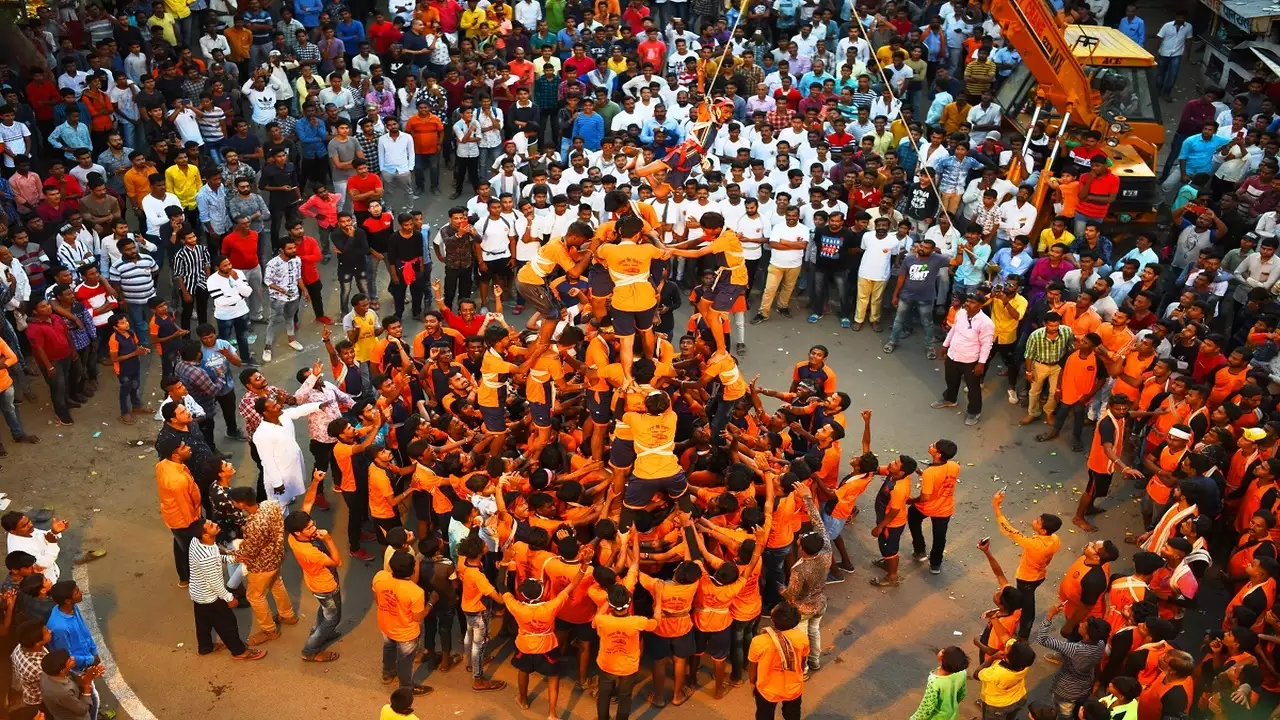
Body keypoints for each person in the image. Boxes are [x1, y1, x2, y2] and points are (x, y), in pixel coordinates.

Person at [186, 518, 265, 661]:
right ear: (205, 535)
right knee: (228, 623)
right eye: (211, 525)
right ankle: (239, 651)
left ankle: (205, 647)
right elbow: (214, 583)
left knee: (203, 622)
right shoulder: (207, 558)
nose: (215, 524)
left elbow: (216, 557)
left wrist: (233, 559)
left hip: (198, 592)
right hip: (211, 596)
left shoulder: (196, 542)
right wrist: (229, 598)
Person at [283, 472, 343, 663]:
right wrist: (328, 539)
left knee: (325, 611)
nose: (314, 528)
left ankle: (320, 631)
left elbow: (307, 504)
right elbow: (337, 562)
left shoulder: (294, 535)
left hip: (317, 584)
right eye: (309, 528)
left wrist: (316, 481)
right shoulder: (309, 551)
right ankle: (310, 650)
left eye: (312, 525)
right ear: (298, 532)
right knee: (332, 617)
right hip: (325, 586)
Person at [933, 292, 994, 425]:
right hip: (953, 354)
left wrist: (981, 364)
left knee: (973, 388)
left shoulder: (986, 323)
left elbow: (986, 345)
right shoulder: (961, 313)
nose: (968, 304)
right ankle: (950, 399)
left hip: (970, 360)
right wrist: (945, 346)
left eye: (972, 302)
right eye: (967, 301)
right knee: (951, 379)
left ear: (980, 305)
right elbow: (954, 330)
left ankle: (974, 412)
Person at [909, 646, 969, 720]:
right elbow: (962, 694)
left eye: (944, 651)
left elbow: (927, 706)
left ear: (942, 660)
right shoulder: (962, 673)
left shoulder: (934, 681)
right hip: (952, 713)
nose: (942, 649)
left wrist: (914, 718)